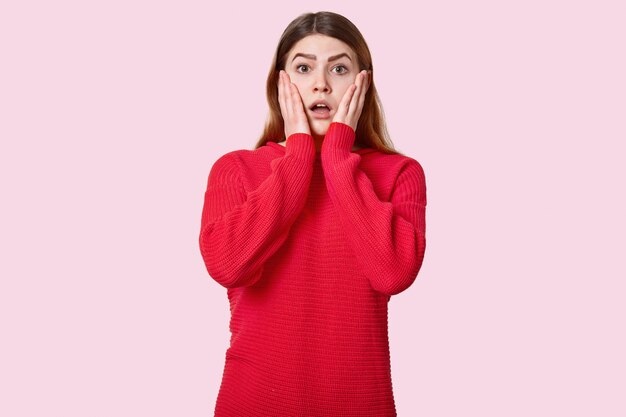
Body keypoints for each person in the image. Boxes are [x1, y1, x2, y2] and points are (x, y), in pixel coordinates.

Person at [198, 11, 427, 417]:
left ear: (363, 83)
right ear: (280, 83)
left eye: (339, 68)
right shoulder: (234, 170)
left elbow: (392, 273)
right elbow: (228, 267)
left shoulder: (400, 173)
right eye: (304, 67)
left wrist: (338, 156)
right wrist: (299, 152)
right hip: (252, 403)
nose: (321, 83)